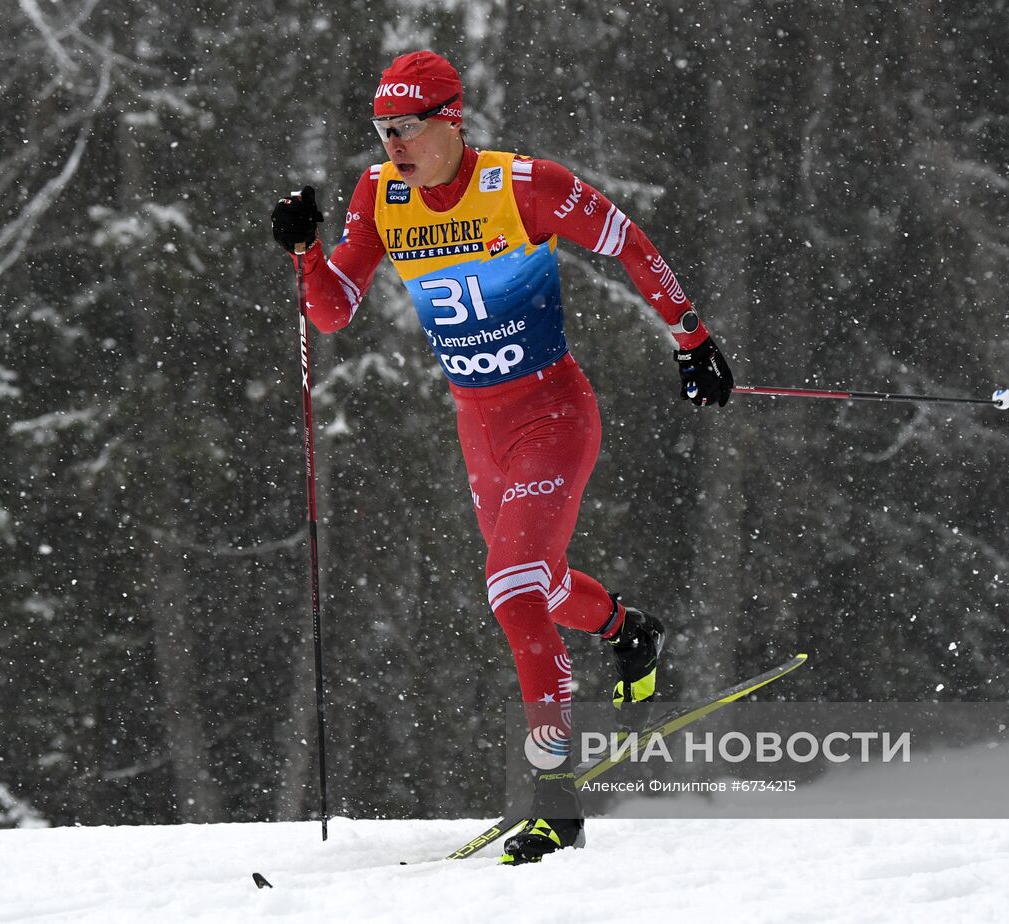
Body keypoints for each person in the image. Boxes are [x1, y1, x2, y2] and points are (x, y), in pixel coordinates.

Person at [271, 50, 733, 864]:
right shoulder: (382, 197)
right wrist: (307, 252)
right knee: (542, 585)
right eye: (382, 131)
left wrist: (691, 340)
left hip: (553, 414)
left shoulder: (522, 185)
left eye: (408, 128)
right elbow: (334, 311)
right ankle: (630, 631)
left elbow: (629, 242)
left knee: (513, 589)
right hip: (478, 426)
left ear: (453, 120)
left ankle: (558, 801)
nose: (393, 147)